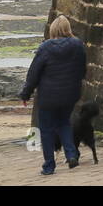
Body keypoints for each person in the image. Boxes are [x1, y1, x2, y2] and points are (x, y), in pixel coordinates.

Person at [19, 15, 87, 176]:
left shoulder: (46, 47)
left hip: (48, 96)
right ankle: (71, 154)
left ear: (53, 30)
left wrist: (25, 93)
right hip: (70, 93)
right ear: (68, 29)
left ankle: (49, 165)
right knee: (64, 123)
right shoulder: (78, 45)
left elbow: (34, 73)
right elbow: (82, 70)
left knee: (47, 130)